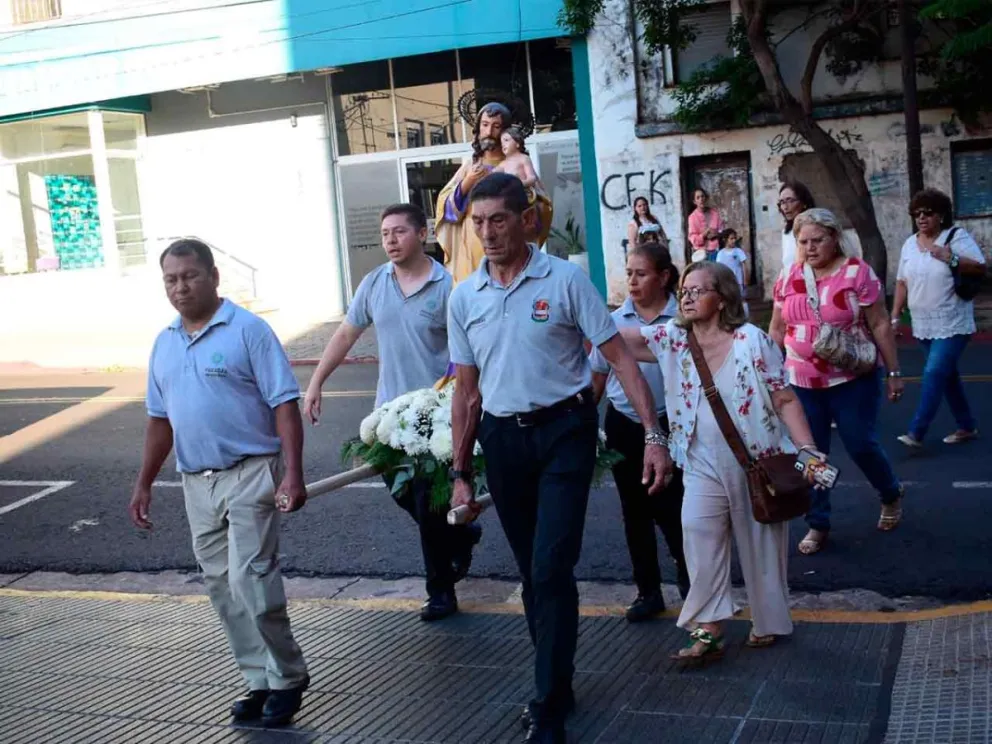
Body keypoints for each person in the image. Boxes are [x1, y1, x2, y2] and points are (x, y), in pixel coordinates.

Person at [447, 173, 669, 744]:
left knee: (550, 566)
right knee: (532, 574)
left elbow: (620, 359)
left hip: (565, 432)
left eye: (499, 219)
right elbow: (466, 393)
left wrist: (652, 434)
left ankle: (547, 698)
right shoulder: (464, 296)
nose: (489, 232)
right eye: (479, 223)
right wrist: (459, 473)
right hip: (503, 440)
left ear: (525, 219)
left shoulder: (566, 280)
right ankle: (558, 679)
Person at [129, 238, 310, 727]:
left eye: (189, 276)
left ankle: (289, 677)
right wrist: (144, 482)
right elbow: (159, 420)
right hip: (196, 481)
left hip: (251, 472)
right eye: (171, 279)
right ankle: (259, 679)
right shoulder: (164, 342)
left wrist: (293, 473)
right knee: (220, 587)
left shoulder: (248, 331)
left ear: (212, 276)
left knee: (249, 579)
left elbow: (284, 405)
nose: (180, 287)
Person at [621, 261, 821, 663]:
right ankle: (709, 628)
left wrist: (808, 449)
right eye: (685, 290)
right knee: (698, 534)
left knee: (760, 542)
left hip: (755, 462)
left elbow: (783, 398)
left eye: (699, 290)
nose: (689, 296)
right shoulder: (673, 338)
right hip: (698, 460)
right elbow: (612, 339)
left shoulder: (751, 340)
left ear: (723, 297)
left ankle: (768, 622)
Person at [302, 203, 481, 622]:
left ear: (423, 234)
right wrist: (315, 382)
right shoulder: (374, 283)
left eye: (399, 232)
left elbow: (466, 350)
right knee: (403, 493)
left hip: (435, 413)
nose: (391, 241)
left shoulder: (447, 286)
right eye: (385, 234)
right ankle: (461, 534)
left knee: (426, 499)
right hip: (388, 415)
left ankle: (440, 592)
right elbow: (347, 332)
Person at [769, 209, 904, 556]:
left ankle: (890, 493)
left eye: (818, 240)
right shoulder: (788, 277)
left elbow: (880, 325)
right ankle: (818, 522)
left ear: (834, 238)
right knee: (810, 454)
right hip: (801, 382)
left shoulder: (857, 273)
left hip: (853, 378)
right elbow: (777, 330)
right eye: (803, 242)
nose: (810, 248)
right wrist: (770, 374)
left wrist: (893, 373)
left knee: (860, 443)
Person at [589, 241, 690, 621]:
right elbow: (598, 377)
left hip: (672, 424)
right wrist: (586, 424)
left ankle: (690, 579)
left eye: (641, 273)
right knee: (634, 510)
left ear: (664, 277)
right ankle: (647, 590)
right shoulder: (613, 322)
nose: (632, 281)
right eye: (628, 273)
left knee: (675, 507)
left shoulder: (682, 320)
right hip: (624, 424)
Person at [891, 188, 985, 447]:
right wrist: (895, 317)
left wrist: (950, 257)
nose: (921, 218)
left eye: (928, 213)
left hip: (952, 322)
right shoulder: (910, 244)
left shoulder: (955, 237)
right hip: (922, 324)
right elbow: (901, 282)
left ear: (941, 215)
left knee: (933, 372)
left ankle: (916, 432)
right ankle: (966, 426)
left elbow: (980, 266)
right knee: (948, 377)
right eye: (916, 214)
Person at [435, 102, 552, 283]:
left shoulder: (517, 163)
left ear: (505, 131)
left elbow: (541, 206)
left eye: (496, 126)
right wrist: (468, 182)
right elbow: (447, 211)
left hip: (507, 240)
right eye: (485, 125)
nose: (489, 132)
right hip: (472, 245)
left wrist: (523, 199)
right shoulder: (470, 166)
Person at [777, 181, 816, 272]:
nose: (785, 207)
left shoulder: (817, 229)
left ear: (803, 202)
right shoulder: (787, 232)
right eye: (782, 202)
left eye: (790, 200)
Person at [715, 228, 749, 315]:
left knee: (741, 300)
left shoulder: (738, 251)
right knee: (728, 300)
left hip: (738, 281)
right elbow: (719, 269)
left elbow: (744, 266)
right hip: (727, 282)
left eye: (735, 238)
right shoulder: (720, 254)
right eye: (731, 238)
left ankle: (745, 318)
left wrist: (745, 279)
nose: (734, 240)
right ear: (725, 240)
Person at [687, 187, 724, 260]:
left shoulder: (714, 213)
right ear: (694, 202)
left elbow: (722, 230)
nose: (701, 199)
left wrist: (716, 234)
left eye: (702, 196)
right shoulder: (692, 217)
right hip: (700, 254)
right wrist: (704, 234)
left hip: (715, 252)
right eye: (698, 198)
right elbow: (693, 239)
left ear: (706, 198)